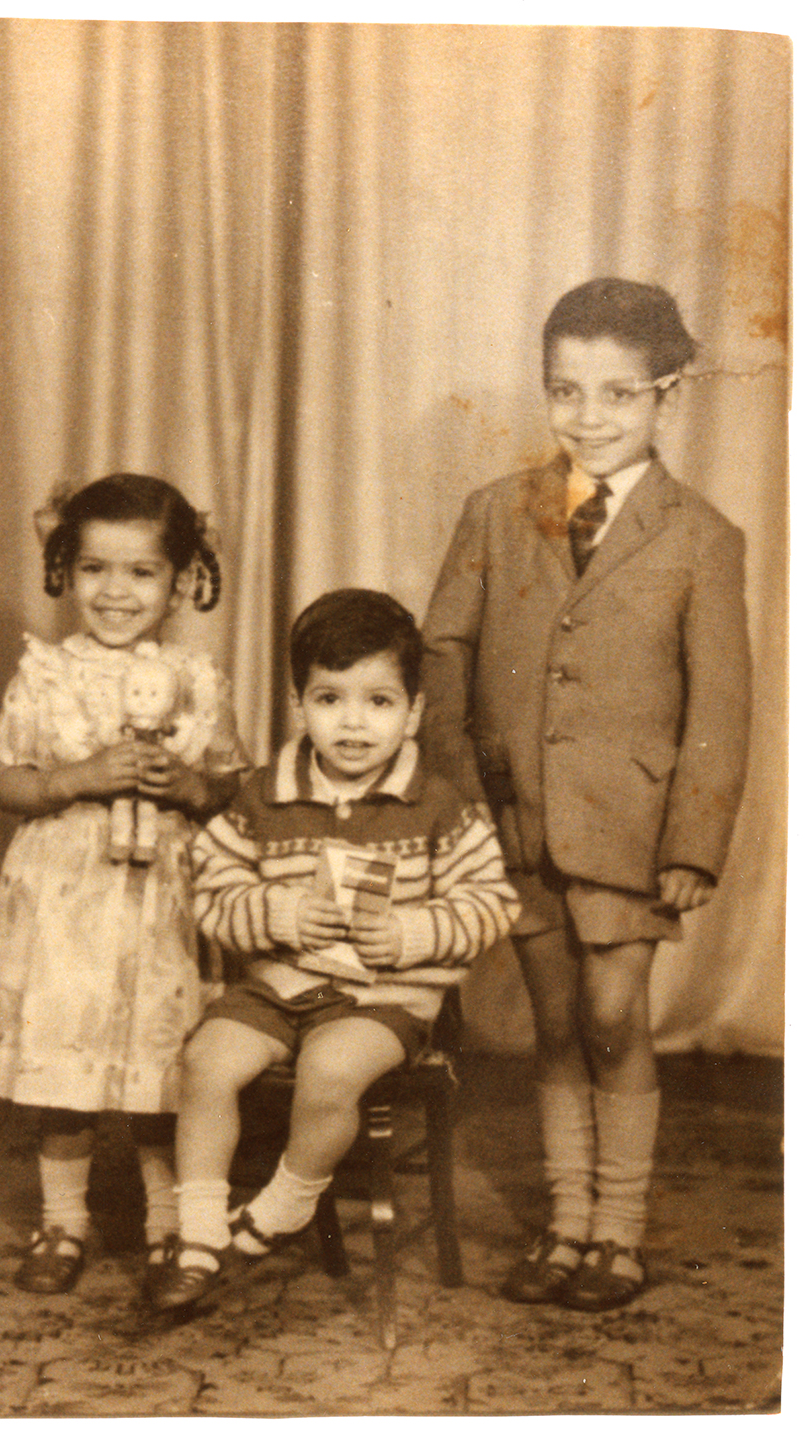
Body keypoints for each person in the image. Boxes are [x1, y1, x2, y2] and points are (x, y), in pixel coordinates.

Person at [420, 279, 751, 1311]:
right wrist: (462, 799)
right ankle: (568, 1226)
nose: (589, 417)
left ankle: (620, 1231)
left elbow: (719, 705)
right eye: (566, 391)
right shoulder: (493, 512)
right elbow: (443, 656)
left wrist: (692, 843)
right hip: (514, 818)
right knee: (556, 1024)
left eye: (618, 394)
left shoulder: (701, 537)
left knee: (614, 1015)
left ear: (667, 394)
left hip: (631, 829)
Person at [148, 588, 520, 1310]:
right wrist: (280, 914)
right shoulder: (263, 796)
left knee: (330, 1066)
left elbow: (490, 903)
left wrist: (412, 933)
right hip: (280, 986)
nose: (353, 722)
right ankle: (199, 1235)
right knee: (205, 1061)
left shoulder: (437, 804)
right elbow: (213, 891)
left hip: (384, 999)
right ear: (299, 704)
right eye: (329, 699)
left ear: (413, 712)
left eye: (379, 702)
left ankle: (282, 1206)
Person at [0, 473, 249, 1297]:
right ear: (66, 572)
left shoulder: (199, 679)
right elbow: (7, 781)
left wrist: (189, 785)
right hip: (66, 905)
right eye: (94, 570)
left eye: (141, 572)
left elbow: (231, 784)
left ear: (181, 581)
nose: (115, 591)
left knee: (164, 1071)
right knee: (66, 1074)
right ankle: (63, 1221)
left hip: (161, 905)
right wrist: (75, 778)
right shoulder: (45, 674)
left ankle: (167, 1225)